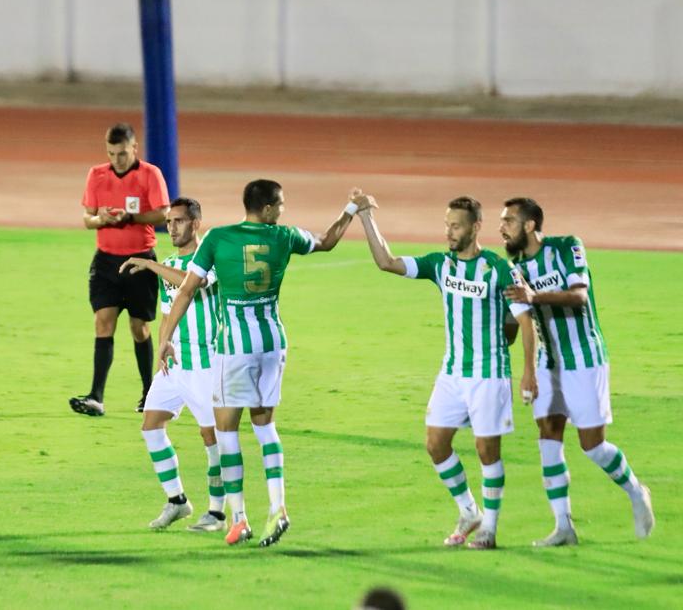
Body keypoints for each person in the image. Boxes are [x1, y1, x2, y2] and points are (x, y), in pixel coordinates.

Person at [157, 179, 362, 547]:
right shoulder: (285, 236)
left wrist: (166, 337)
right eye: (280, 204)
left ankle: (238, 519)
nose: (282, 210)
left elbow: (187, 289)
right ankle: (278, 508)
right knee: (265, 426)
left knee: (227, 431)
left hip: (234, 348)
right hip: (272, 344)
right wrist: (351, 209)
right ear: (267, 209)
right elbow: (327, 241)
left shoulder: (219, 238)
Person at [354, 193, 536, 550]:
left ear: (476, 227)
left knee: (487, 451)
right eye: (446, 226)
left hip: (489, 374)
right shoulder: (440, 264)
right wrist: (365, 218)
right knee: (436, 444)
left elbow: (524, 321)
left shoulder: (499, 269)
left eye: (456, 226)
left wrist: (528, 372)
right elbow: (387, 262)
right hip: (452, 373)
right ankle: (469, 511)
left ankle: (490, 530)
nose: (449, 232)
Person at [499, 197, 654, 546]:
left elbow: (578, 296)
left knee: (592, 446)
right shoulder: (514, 269)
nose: (502, 227)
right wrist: (504, 320)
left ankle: (635, 491)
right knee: (548, 438)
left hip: (584, 359)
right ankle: (563, 527)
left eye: (508, 220)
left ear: (530, 225)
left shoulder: (568, 246)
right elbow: (514, 321)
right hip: (547, 363)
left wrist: (533, 296)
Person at [120, 197, 226, 532]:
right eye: (169, 221)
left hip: (206, 365)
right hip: (176, 363)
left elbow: (189, 284)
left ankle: (218, 512)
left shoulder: (211, 259)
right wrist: (162, 347)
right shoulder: (167, 260)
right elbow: (169, 311)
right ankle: (177, 500)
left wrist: (150, 266)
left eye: (179, 221)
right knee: (151, 427)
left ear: (196, 224)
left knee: (212, 439)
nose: (172, 227)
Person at [70, 123, 170, 417]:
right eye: (112, 153)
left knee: (139, 328)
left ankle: (148, 393)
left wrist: (131, 218)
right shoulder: (96, 175)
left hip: (140, 261)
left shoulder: (150, 174)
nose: (117, 159)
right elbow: (87, 218)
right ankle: (96, 397)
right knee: (103, 322)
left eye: (123, 153)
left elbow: (163, 213)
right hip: (106, 261)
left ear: (134, 148)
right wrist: (100, 219)